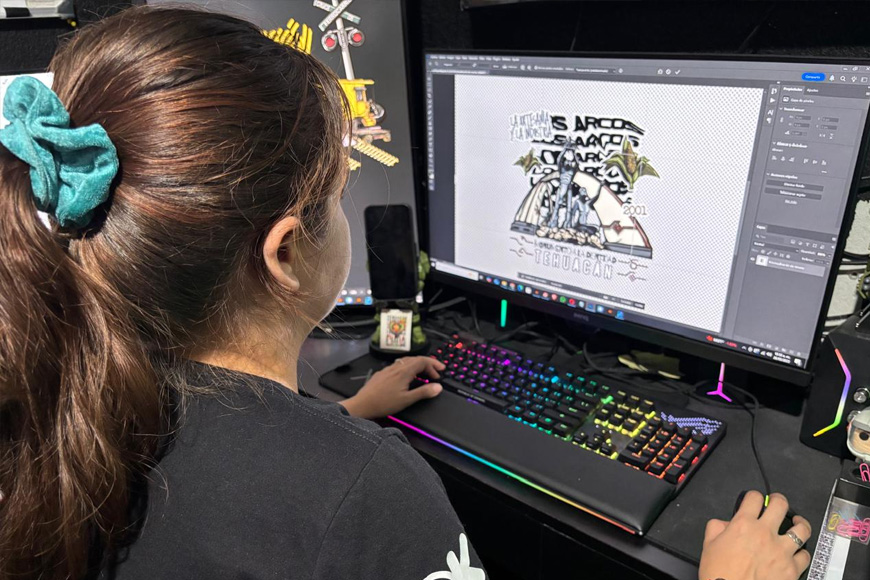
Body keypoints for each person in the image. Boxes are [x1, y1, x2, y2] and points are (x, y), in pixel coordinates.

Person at [0, 6, 812, 580]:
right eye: (339, 195)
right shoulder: (367, 497)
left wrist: (340, 419)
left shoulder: (60, 411)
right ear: (286, 252)